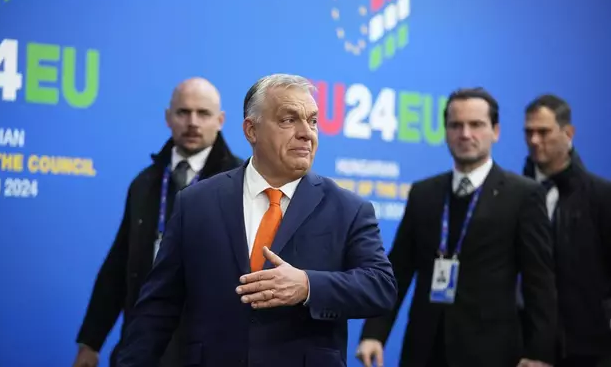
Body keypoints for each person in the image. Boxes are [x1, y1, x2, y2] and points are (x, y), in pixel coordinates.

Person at [114, 73, 397, 367]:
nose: (306, 133)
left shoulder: (348, 208)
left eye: (312, 121)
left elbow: (380, 286)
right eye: (289, 120)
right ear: (251, 130)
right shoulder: (196, 203)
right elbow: (158, 307)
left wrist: (308, 285)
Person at [356, 88, 558, 367]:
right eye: (456, 125)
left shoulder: (523, 195)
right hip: (424, 350)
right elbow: (398, 270)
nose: (465, 134)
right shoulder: (424, 193)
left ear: (495, 131)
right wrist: (374, 333)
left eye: (476, 125)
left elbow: (540, 282)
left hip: (492, 353)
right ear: (446, 131)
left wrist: (539, 353)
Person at [73, 77, 243, 367]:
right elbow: (118, 265)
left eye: (203, 113)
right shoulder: (145, 182)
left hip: (211, 347)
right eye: (183, 112)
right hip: (144, 345)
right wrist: (91, 341)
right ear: (168, 118)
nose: (192, 122)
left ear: (221, 120)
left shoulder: (242, 182)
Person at [522, 94, 611, 367]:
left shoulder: (601, 196)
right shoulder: (512, 194)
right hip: (523, 348)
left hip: (586, 349)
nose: (534, 140)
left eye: (544, 132)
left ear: (568, 133)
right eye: (529, 132)